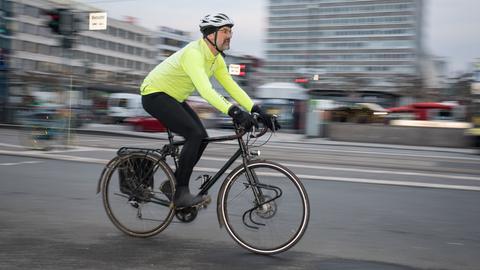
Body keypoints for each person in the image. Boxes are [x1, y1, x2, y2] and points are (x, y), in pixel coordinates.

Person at [140, 13, 280, 209]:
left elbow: (232, 87)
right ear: (210, 35)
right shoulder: (194, 54)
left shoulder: (216, 60)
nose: (229, 35)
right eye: (224, 31)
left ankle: (172, 182)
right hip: (155, 94)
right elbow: (206, 91)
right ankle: (180, 193)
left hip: (174, 97)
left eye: (230, 31)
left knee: (202, 137)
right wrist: (235, 112)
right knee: (194, 134)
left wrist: (258, 110)